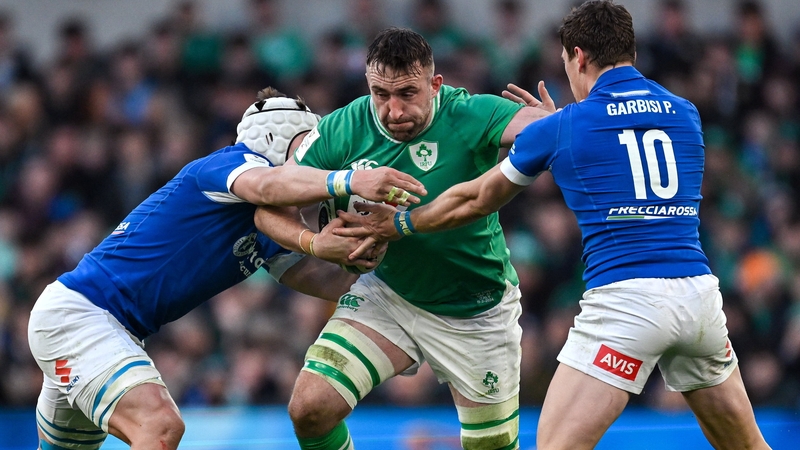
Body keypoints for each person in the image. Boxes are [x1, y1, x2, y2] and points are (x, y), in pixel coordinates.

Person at [336, 2, 772, 449]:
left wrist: (403, 223)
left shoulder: (565, 125)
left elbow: (474, 198)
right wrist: (552, 128)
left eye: (566, 62)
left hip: (627, 303)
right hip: (699, 298)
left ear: (578, 56)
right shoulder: (685, 113)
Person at [27, 87, 426, 450]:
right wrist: (352, 180)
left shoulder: (271, 226)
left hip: (109, 328)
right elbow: (268, 186)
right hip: (82, 316)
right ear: (278, 138)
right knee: (160, 425)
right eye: (307, 147)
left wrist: (383, 270)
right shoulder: (231, 164)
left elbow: (317, 277)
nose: (313, 160)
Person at [255, 27, 551, 450]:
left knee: (492, 445)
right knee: (310, 408)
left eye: (407, 94)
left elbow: (535, 127)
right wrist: (315, 243)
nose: (393, 110)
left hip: (476, 309)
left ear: (435, 86)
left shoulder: (467, 114)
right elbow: (269, 205)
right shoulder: (344, 127)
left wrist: (548, 124)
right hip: (390, 296)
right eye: (381, 94)